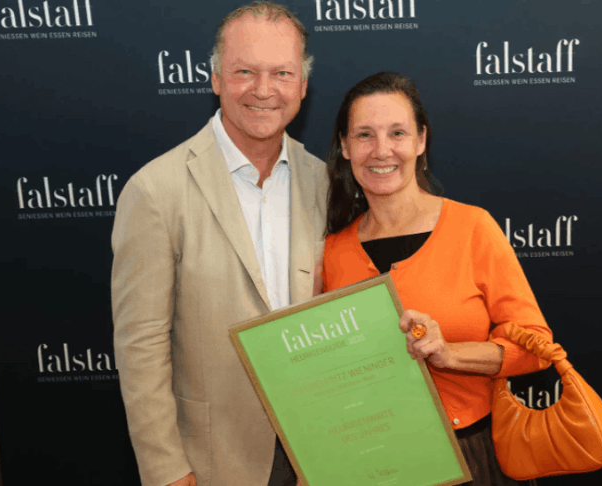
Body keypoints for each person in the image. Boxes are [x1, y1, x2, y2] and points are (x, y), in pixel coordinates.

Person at [111, 3, 328, 486]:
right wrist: (167, 470)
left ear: (302, 86)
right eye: (244, 71)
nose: (264, 89)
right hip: (213, 460)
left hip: (317, 451)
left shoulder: (323, 181)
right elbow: (141, 347)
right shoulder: (155, 191)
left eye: (282, 73)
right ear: (214, 79)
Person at [322, 72, 552, 486]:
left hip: (473, 458)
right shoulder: (331, 252)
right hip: (373, 467)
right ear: (345, 146)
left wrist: (451, 354)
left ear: (421, 140)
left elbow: (537, 348)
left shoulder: (472, 228)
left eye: (397, 133)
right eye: (364, 135)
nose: (382, 150)